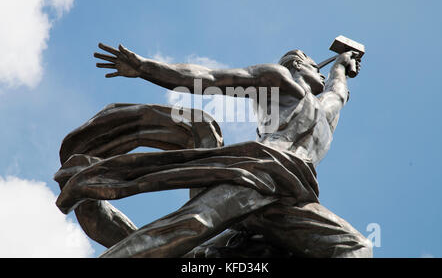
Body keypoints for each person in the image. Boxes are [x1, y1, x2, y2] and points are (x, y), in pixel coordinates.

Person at [55, 44, 372, 257]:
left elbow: (337, 92)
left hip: (292, 195)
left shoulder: (325, 113)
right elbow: (209, 79)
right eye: (316, 67)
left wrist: (342, 67)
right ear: (298, 66)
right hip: (257, 173)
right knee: (188, 227)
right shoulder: (281, 83)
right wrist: (146, 67)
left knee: (355, 247)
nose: (321, 72)